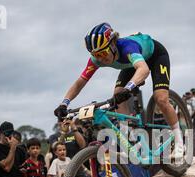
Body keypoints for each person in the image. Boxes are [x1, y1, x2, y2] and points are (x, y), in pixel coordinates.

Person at [54, 22, 184, 161]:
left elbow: (144, 69)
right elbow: (80, 82)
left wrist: (129, 88)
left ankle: (180, 142)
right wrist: (64, 103)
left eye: (103, 53)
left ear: (113, 44)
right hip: (132, 63)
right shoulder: (97, 59)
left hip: (155, 56)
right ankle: (135, 138)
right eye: (96, 55)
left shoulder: (127, 47)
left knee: (161, 99)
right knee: (118, 97)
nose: (101, 58)